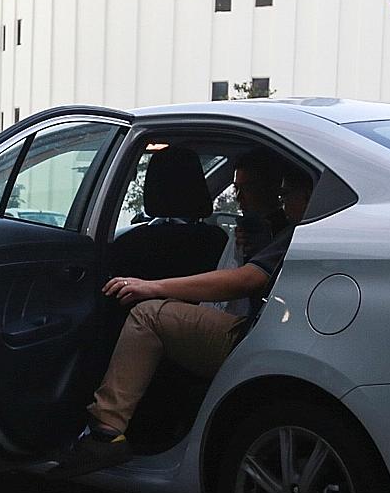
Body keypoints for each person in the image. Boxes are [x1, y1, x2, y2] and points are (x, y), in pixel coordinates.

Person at [54, 163, 316, 476]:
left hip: (256, 336)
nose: (281, 200)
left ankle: (105, 432)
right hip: (280, 333)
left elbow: (248, 280)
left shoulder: (302, 233)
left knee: (147, 314)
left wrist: (151, 287)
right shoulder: (274, 232)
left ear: (311, 196)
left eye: (286, 194)